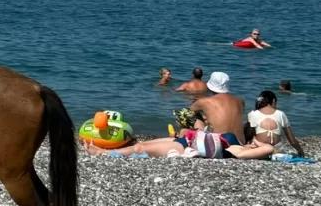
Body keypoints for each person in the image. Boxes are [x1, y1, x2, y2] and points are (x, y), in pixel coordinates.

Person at [85, 108, 273, 160]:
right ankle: (112, 146)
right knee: (141, 143)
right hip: (184, 139)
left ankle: (102, 153)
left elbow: (268, 148)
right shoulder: (235, 139)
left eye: (255, 147)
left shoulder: (237, 150)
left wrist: (260, 146)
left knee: (140, 147)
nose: (255, 145)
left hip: (185, 147)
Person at [190, 71, 246, 146]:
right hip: (239, 143)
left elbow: (188, 112)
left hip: (220, 145)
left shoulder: (204, 102)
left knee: (194, 118)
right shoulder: (240, 101)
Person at [248, 90, 305, 157]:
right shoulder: (281, 114)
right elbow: (292, 140)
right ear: (274, 101)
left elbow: (249, 135)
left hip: (260, 149)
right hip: (277, 150)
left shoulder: (253, 114)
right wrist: (300, 151)